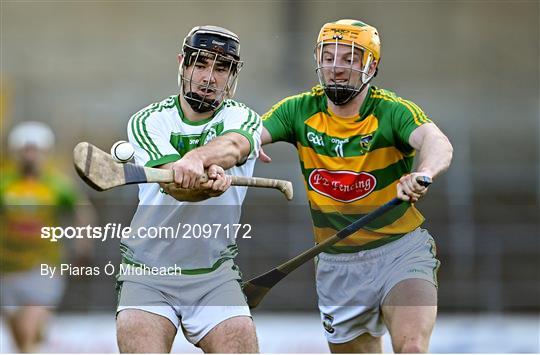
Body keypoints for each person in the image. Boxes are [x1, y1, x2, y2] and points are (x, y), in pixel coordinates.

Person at [260, 19, 453, 353]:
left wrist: (423, 173)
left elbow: (437, 142)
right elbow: (247, 136)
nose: (336, 68)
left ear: (371, 66)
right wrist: (224, 155)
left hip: (400, 251)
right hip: (336, 264)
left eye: (349, 59)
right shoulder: (298, 110)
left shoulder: (392, 111)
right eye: (329, 56)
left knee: (412, 347)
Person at [116, 25, 261, 353]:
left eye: (222, 68)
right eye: (200, 64)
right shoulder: (148, 120)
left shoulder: (244, 117)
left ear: (232, 75)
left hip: (214, 273)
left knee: (240, 338)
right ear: (182, 64)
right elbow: (174, 185)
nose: (209, 77)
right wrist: (204, 186)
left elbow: (236, 145)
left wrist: (198, 159)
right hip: (148, 271)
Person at [0, 121, 93, 352]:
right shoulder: (4, 183)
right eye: (25, 150)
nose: (30, 156)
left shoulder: (57, 184)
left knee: (27, 330)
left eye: (36, 150)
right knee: (20, 340)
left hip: (44, 265)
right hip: (7, 269)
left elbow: (82, 212)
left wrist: (83, 247)